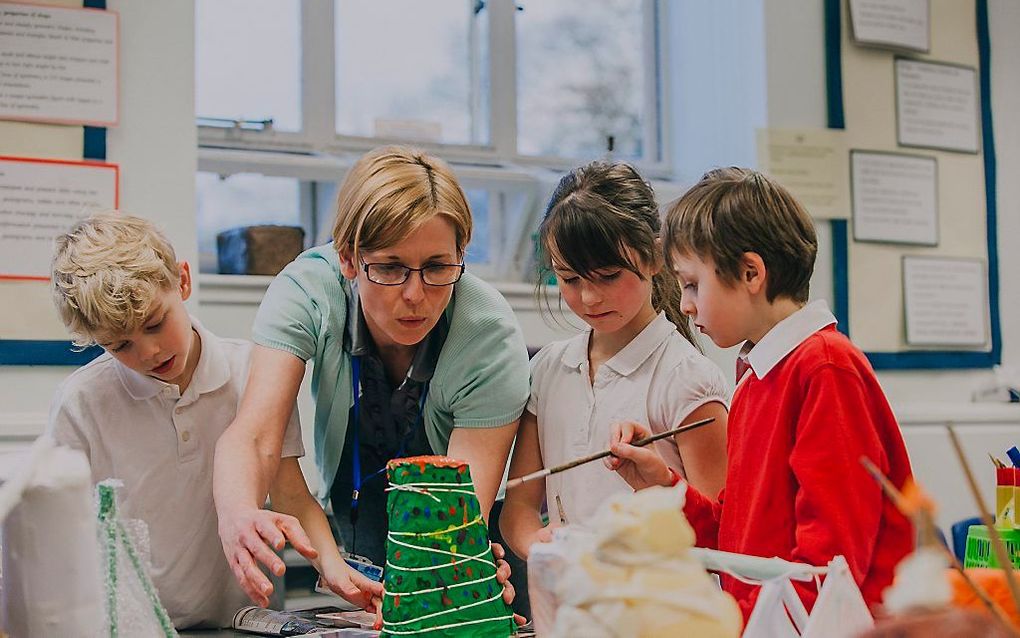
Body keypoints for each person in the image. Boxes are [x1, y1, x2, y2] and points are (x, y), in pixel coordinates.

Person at [213, 146, 530, 612]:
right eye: (389, 267)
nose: (415, 295)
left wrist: (442, 582)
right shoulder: (308, 292)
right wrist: (238, 511)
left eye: (438, 267)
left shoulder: (488, 336)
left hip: (461, 538)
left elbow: (460, 518)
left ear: (462, 255)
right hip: (355, 519)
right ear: (348, 259)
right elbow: (260, 436)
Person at [606, 167, 914, 620]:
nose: (686, 304)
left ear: (751, 272)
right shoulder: (757, 376)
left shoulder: (825, 367)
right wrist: (664, 486)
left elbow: (830, 566)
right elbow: (735, 535)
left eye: (692, 284)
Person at [46, 212, 366, 629]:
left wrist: (335, 568)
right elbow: (61, 535)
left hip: (237, 620)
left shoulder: (253, 372)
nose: (148, 353)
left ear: (182, 280)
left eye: (155, 323)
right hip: (132, 626)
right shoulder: (81, 402)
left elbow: (290, 494)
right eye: (120, 345)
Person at [499, 161, 729, 561]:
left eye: (607, 276)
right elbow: (518, 508)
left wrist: (661, 486)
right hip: (572, 610)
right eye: (569, 279)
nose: (588, 298)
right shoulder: (549, 369)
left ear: (655, 257)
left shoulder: (689, 380)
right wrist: (539, 545)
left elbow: (722, 533)